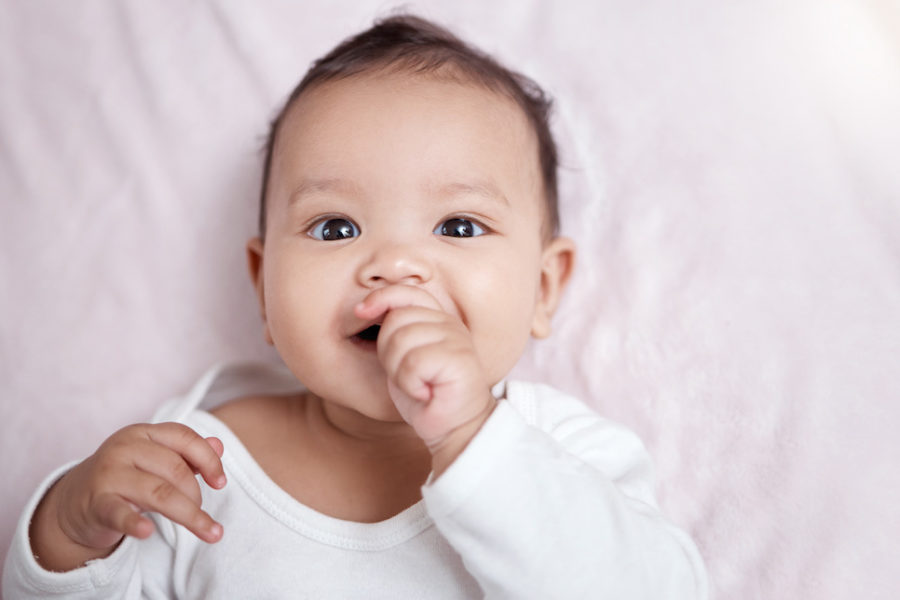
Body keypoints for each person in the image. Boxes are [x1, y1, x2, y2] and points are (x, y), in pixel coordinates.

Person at [3, 14, 708, 599]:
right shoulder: (203, 460)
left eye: (459, 227)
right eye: (335, 227)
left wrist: (473, 437)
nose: (395, 264)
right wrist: (66, 533)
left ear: (544, 289)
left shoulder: (566, 456)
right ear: (264, 290)